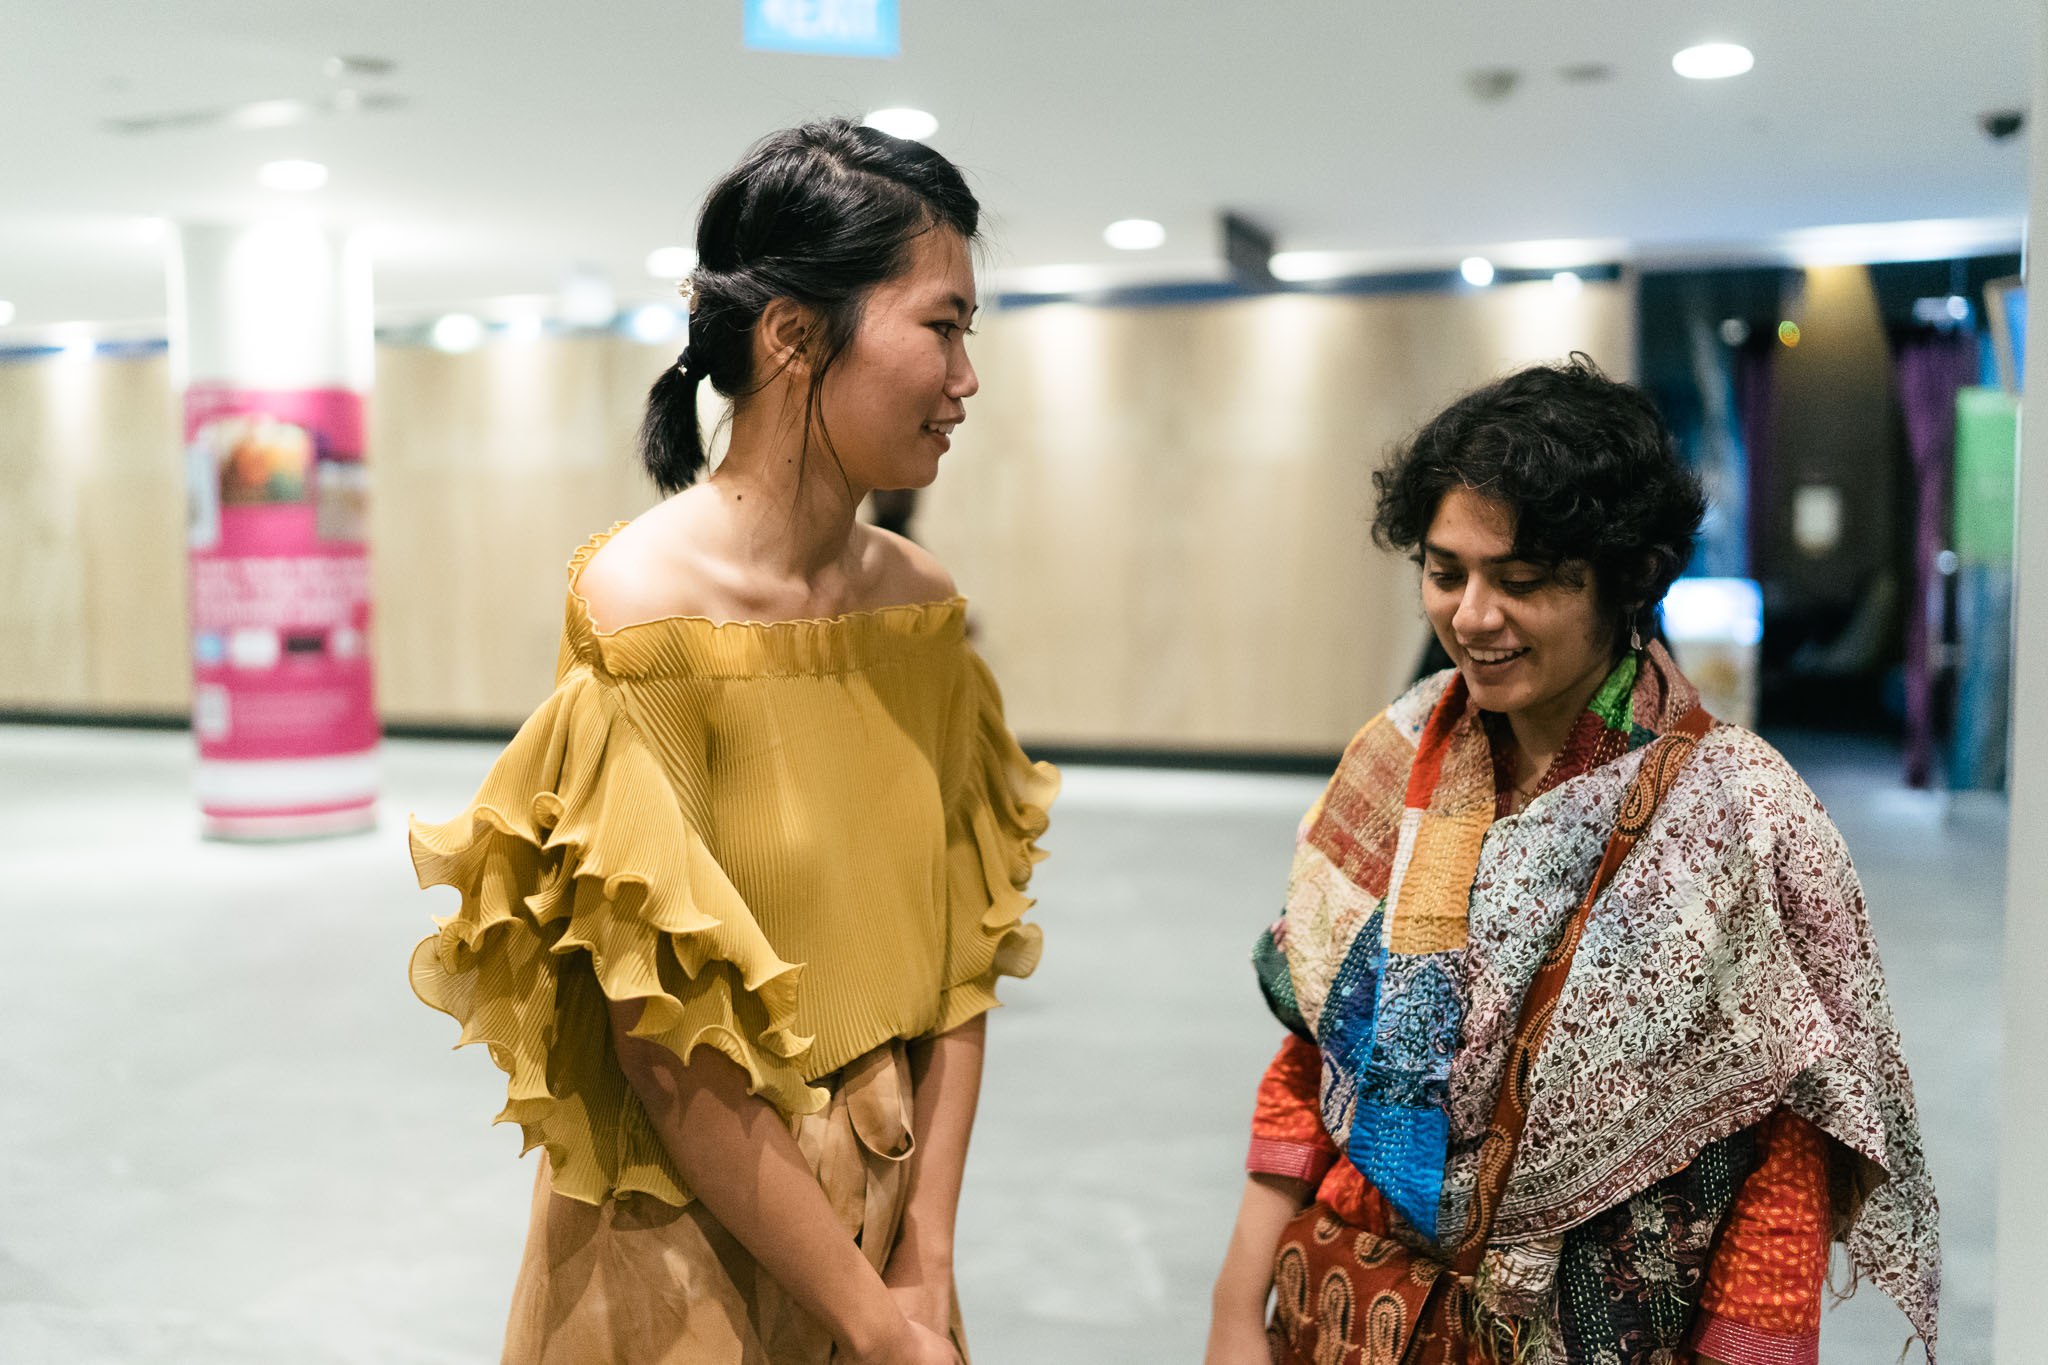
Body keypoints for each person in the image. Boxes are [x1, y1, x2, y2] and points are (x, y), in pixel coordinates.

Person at [407, 119, 1056, 1365]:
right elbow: (666, 1051)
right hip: (679, 1243)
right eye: (942, 326)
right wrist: (875, 1324)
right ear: (793, 336)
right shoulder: (643, 614)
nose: (966, 376)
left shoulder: (918, 612)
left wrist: (924, 1266)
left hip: (891, 1230)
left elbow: (960, 964)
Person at [1204, 357, 1939, 1365]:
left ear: (1625, 579)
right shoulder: (1394, 762)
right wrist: (1233, 1303)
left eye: (1521, 581)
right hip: (1348, 1309)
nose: (1472, 615)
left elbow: (1782, 1159)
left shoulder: (1736, 814)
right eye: (1445, 571)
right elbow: (1313, 1050)